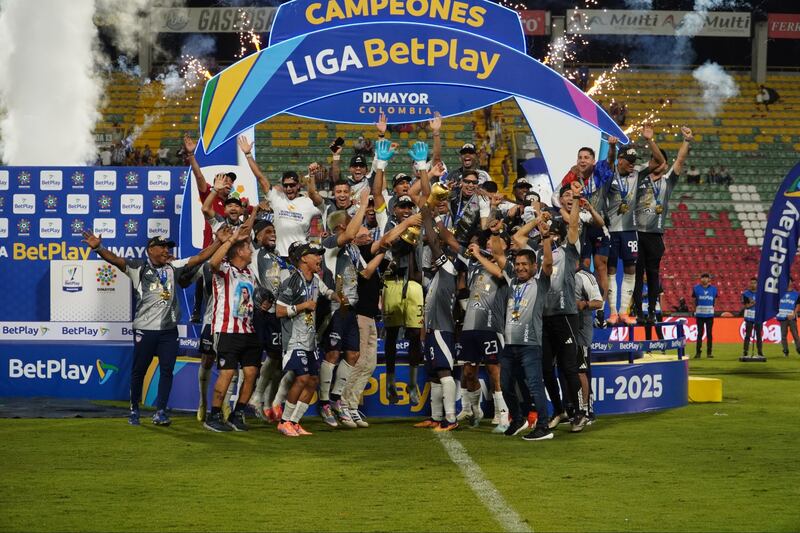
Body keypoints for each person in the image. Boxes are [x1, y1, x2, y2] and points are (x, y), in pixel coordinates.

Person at [81, 231, 225, 426]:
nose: (167, 251)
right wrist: (98, 248)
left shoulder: (174, 267)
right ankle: (134, 410)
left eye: (168, 247)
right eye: (163, 247)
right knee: (139, 370)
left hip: (169, 331)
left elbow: (200, 257)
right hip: (144, 330)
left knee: (167, 370)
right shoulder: (138, 267)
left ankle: (161, 412)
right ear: (150, 250)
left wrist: (218, 242)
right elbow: (115, 260)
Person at [598, 125, 665, 325]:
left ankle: (624, 312)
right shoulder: (610, 173)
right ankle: (612, 313)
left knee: (630, 269)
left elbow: (660, 161)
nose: (631, 165)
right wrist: (611, 148)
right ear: (620, 160)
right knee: (611, 270)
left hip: (629, 231)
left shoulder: (637, 173)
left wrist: (650, 140)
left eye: (634, 162)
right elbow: (609, 162)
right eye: (629, 161)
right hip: (610, 230)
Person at [203, 217, 262, 433]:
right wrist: (230, 241)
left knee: (251, 373)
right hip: (227, 330)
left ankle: (238, 414)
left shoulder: (249, 274)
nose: (251, 249)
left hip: (248, 330)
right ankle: (214, 415)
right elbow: (212, 263)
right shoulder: (225, 270)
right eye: (247, 247)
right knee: (227, 373)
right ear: (238, 252)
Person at [318, 188, 371, 427]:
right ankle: (325, 403)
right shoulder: (329, 244)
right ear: (341, 227)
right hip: (334, 309)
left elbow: (366, 271)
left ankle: (338, 401)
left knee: (353, 354)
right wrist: (361, 205)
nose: (356, 226)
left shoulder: (352, 250)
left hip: (352, 308)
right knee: (332, 354)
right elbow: (350, 234)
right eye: (351, 223)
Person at [275, 242, 338, 437]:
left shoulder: (317, 280)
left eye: (320, 255)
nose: (320, 258)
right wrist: (302, 306)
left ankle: (295, 422)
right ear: (304, 258)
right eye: (315, 255)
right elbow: (279, 311)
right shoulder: (292, 281)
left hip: (311, 339)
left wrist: (339, 296)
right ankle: (284, 421)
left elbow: (329, 293)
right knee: (302, 378)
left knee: (313, 380)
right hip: (294, 340)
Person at [633, 126, 692, 324]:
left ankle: (651, 311)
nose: (659, 165)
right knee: (637, 273)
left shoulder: (668, 181)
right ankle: (637, 311)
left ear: (665, 166)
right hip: (636, 233)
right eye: (655, 160)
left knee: (653, 274)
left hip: (655, 234)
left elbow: (681, 160)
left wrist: (687, 141)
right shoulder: (640, 178)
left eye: (663, 162)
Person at [541, 190, 588, 432]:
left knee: (569, 368)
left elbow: (573, 226)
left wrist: (577, 201)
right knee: (546, 369)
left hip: (567, 315)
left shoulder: (569, 252)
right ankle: (559, 410)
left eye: (553, 233)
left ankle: (579, 413)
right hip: (545, 318)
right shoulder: (540, 254)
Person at [501, 241, 553, 441]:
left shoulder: (540, 283)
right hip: (509, 345)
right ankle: (518, 419)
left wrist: (546, 238)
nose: (520, 267)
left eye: (525, 264)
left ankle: (543, 426)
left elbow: (548, 264)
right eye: (518, 264)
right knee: (505, 385)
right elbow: (498, 253)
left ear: (534, 266)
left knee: (534, 385)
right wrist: (496, 233)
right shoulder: (512, 282)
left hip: (530, 344)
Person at [456, 235, 510, 431]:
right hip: (469, 326)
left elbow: (497, 272)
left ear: (505, 247)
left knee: (494, 371)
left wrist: (478, 254)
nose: (489, 245)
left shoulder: (508, 266)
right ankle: (475, 410)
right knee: (469, 372)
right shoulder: (476, 266)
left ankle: (501, 414)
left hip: (490, 326)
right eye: (487, 243)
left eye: (495, 242)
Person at [238, 135, 324, 257]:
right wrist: (248, 154)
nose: (289, 188)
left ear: (299, 185)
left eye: (292, 185)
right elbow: (261, 178)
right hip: (279, 255)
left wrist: (311, 176)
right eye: (286, 185)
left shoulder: (308, 202)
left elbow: (320, 202)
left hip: (301, 257)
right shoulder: (277, 198)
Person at [416, 203, 461, 431]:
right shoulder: (434, 278)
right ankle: (435, 418)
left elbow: (434, 244)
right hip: (434, 331)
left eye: (438, 256)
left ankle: (450, 418)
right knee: (434, 375)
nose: (433, 257)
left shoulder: (448, 270)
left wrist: (426, 219)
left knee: (444, 372)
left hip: (444, 330)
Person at [247, 219, 289, 422]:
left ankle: (262, 402)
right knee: (251, 361)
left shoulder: (278, 257)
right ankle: (245, 402)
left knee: (276, 359)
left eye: (274, 231)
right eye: (268, 231)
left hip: (275, 315)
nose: (273, 235)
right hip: (259, 315)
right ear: (257, 235)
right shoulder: (255, 255)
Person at [575, 262, 603, 422]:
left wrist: (584, 304)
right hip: (565, 329)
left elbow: (598, 302)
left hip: (581, 332)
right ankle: (574, 408)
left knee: (581, 370)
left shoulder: (585, 276)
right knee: (570, 372)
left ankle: (587, 410)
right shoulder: (559, 274)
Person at [692, 273, 717, 359]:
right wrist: (694, 310)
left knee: (709, 334)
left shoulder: (714, 289)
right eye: (703, 277)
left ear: (709, 279)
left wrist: (713, 309)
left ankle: (709, 353)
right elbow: (694, 300)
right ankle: (698, 353)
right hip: (700, 315)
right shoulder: (696, 288)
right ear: (701, 279)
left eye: (706, 278)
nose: (704, 279)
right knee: (699, 334)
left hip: (710, 315)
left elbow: (714, 300)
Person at [776, 281, 800, 357]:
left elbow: (798, 305)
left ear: (792, 282)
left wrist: (793, 313)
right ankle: (785, 351)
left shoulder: (796, 294)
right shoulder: (780, 293)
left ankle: (799, 349)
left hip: (791, 317)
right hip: (782, 317)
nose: (788, 283)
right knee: (783, 335)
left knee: (795, 335)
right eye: (787, 281)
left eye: (789, 281)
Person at [742, 277, 764, 359]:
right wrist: (754, 303)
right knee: (747, 335)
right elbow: (746, 306)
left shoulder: (761, 294)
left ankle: (760, 351)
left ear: (757, 284)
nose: (753, 284)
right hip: (749, 317)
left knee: (759, 335)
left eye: (754, 283)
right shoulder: (745, 294)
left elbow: (763, 305)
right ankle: (745, 351)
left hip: (758, 317)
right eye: (751, 283)